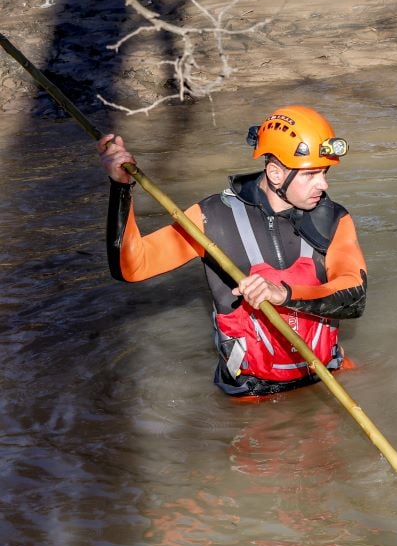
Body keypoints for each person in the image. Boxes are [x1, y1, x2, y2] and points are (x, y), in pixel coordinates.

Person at [99, 105, 367, 397]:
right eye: (311, 174)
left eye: (325, 172)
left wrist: (284, 295)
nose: (323, 184)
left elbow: (354, 298)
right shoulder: (212, 217)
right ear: (276, 174)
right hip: (253, 393)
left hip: (328, 373)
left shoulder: (335, 219)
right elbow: (132, 266)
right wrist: (121, 187)